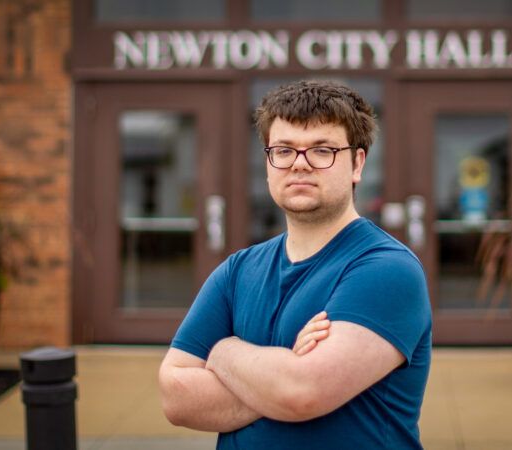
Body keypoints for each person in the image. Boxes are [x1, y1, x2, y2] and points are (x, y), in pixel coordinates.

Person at [159, 79, 431, 449]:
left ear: (357, 163)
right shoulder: (237, 271)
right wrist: (283, 369)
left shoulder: (386, 270)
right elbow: (176, 396)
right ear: (269, 164)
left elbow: (303, 392)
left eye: (322, 150)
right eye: (284, 150)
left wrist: (224, 351)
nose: (299, 165)